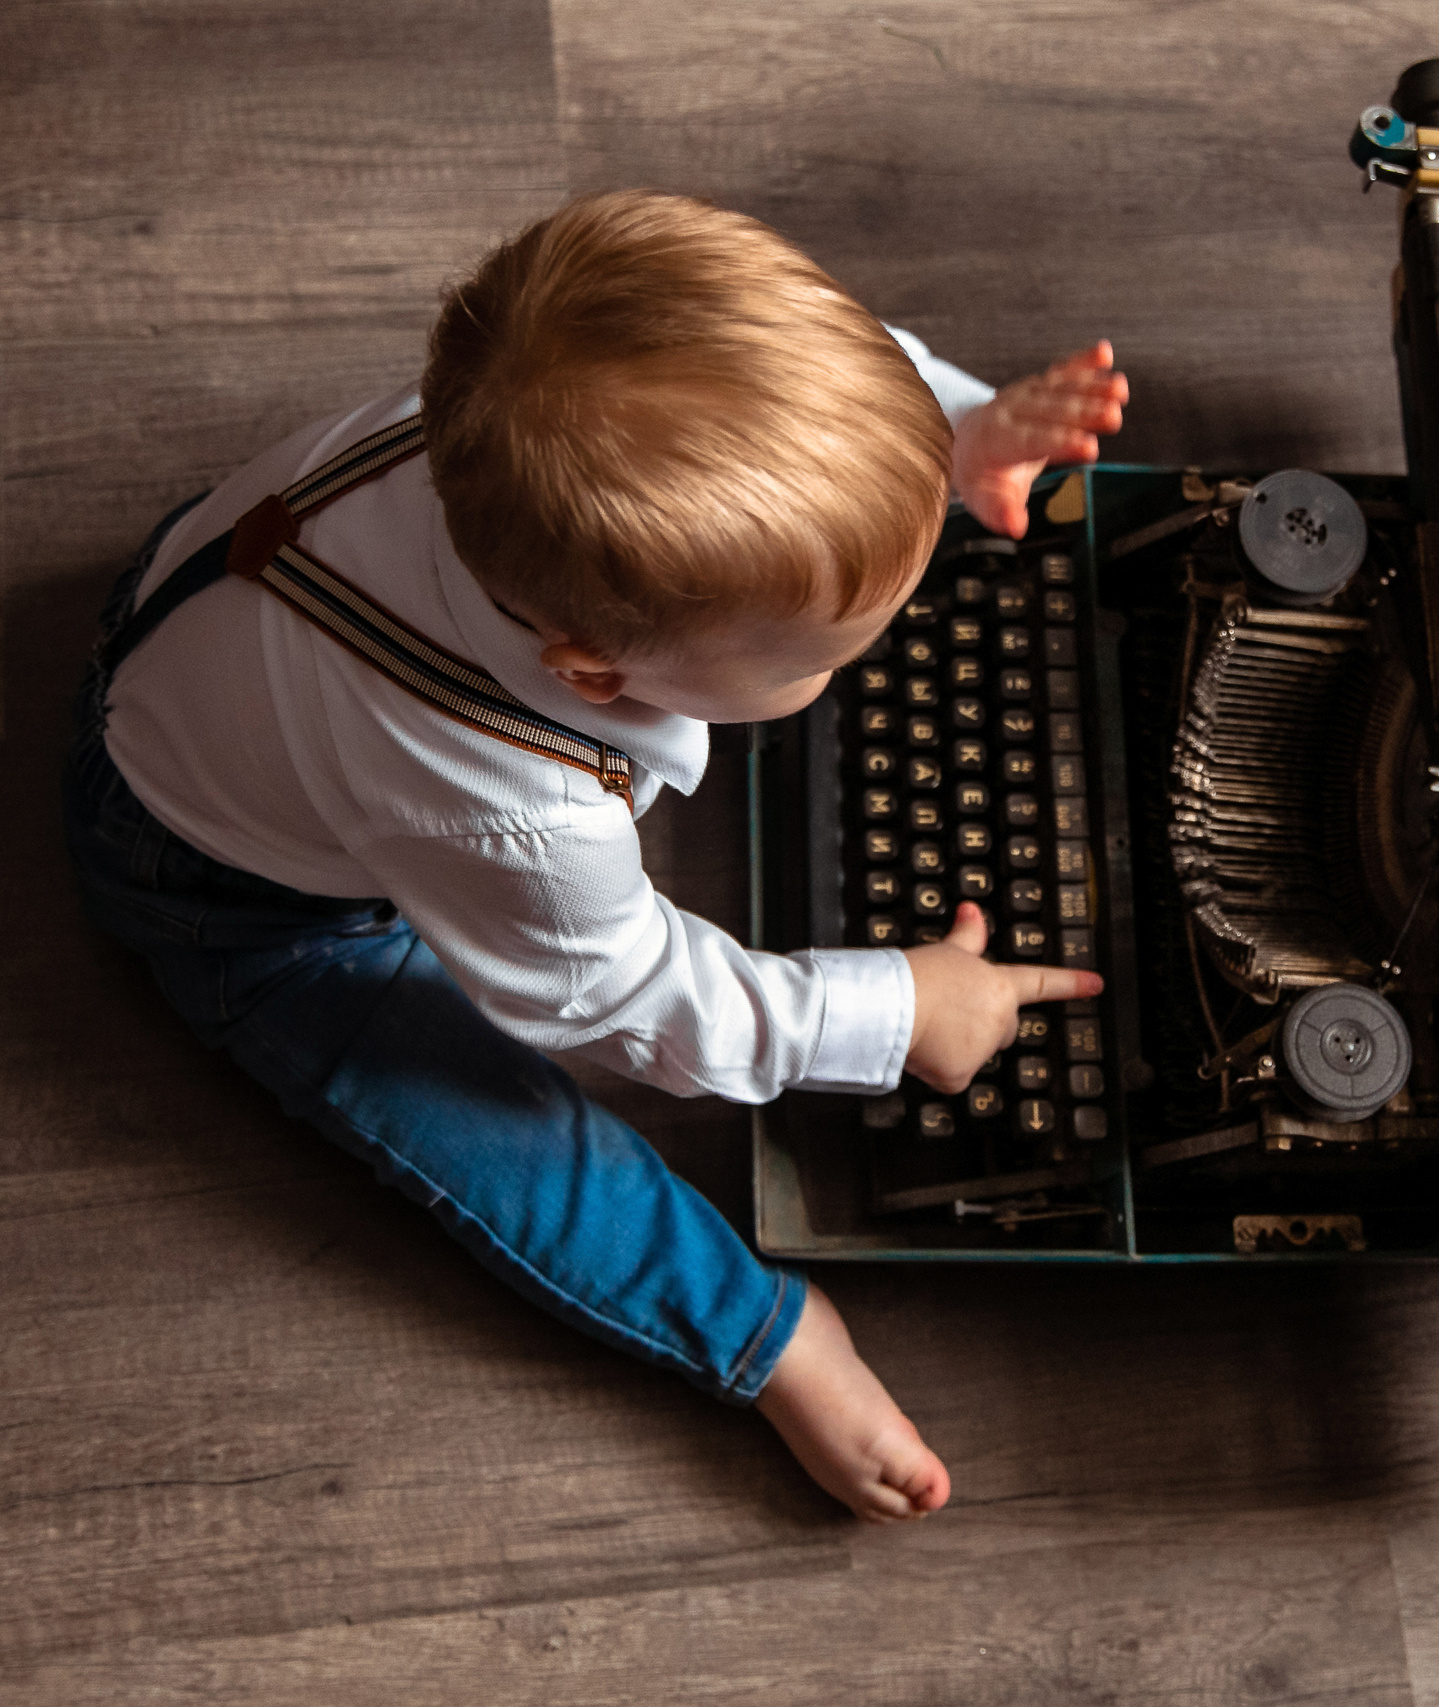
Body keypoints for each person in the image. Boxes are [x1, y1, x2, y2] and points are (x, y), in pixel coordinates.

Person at [61, 189, 1128, 1521]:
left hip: (216, 586)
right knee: (492, 1131)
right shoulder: (510, 812)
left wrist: (953, 434)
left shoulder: (516, 417)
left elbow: (819, 378)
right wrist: (890, 1008)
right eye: (834, 653)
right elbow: (631, 1004)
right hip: (221, 890)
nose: (877, 640)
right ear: (592, 670)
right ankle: (768, 1341)